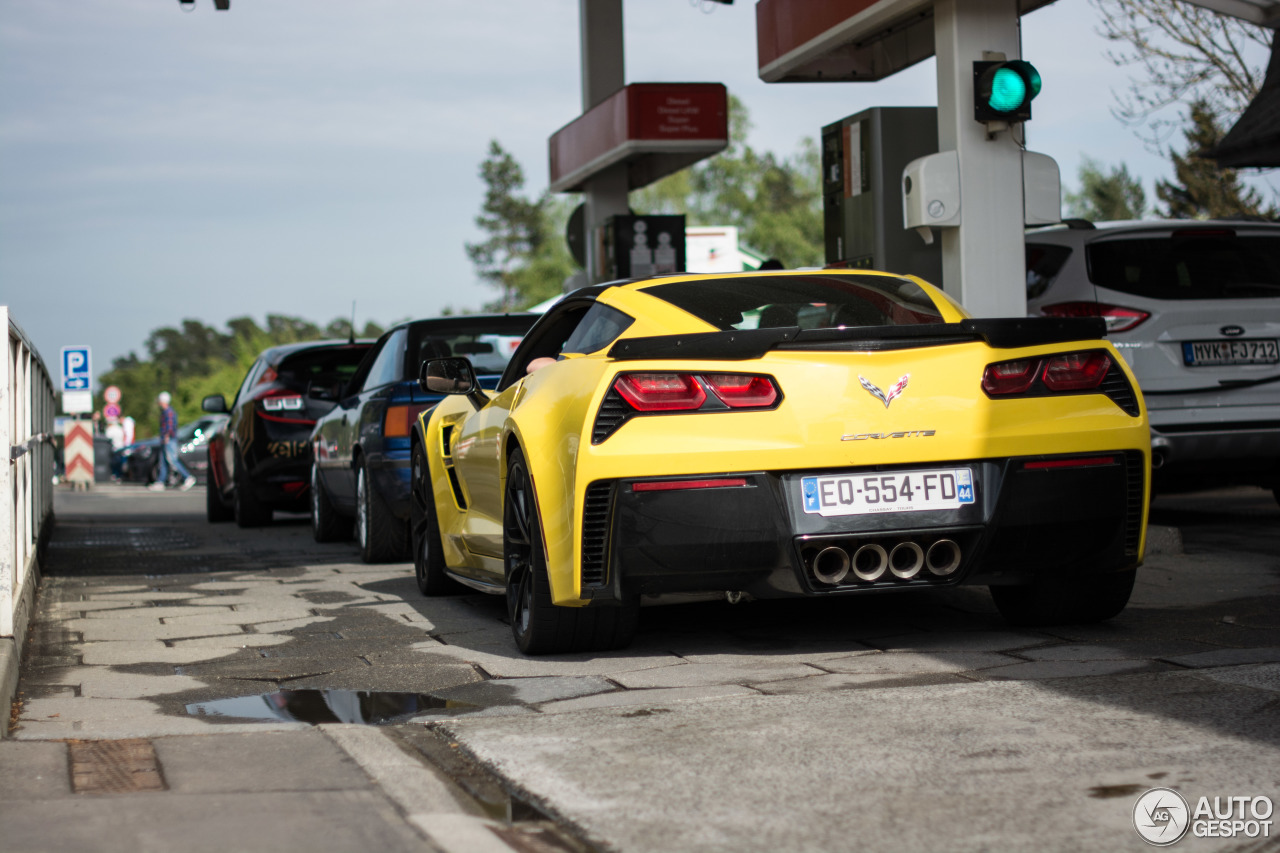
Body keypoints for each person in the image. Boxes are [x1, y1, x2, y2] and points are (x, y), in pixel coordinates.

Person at [150, 392, 196, 491]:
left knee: (172, 460)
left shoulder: (168, 412)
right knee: (163, 462)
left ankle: (188, 477)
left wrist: (166, 436)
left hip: (169, 440)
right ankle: (160, 482)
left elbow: (170, 426)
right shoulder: (166, 411)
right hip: (166, 439)